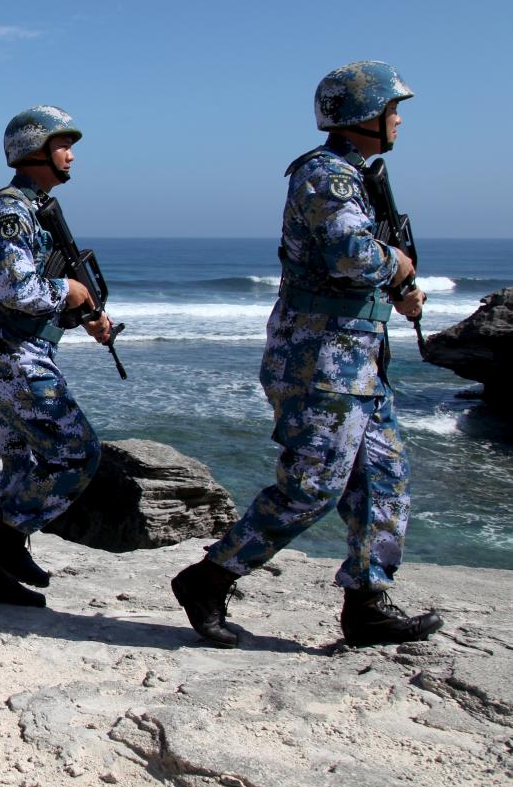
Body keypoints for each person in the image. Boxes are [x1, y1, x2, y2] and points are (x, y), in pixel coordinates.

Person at [172, 61, 442, 648]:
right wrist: (396, 265)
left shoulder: (356, 175)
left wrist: (398, 286)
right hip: (321, 357)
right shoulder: (326, 175)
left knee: (385, 480)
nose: (398, 119)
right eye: (391, 109)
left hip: (358, 359)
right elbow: (351, 255)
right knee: (315, 483)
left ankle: (368, 603)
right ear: (363, 115)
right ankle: (209, 577)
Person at [0, 106, 113, 607]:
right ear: (34, 151)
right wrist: (68, 291)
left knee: (21, 463)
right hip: (13, 354)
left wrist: (85, 310)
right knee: (77, 451)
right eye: (61, 144)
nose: (70, 154)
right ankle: (5, 542)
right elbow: (13, 286)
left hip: (19, 349)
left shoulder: (38, 208)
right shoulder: (11, 212)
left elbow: (47, 285)